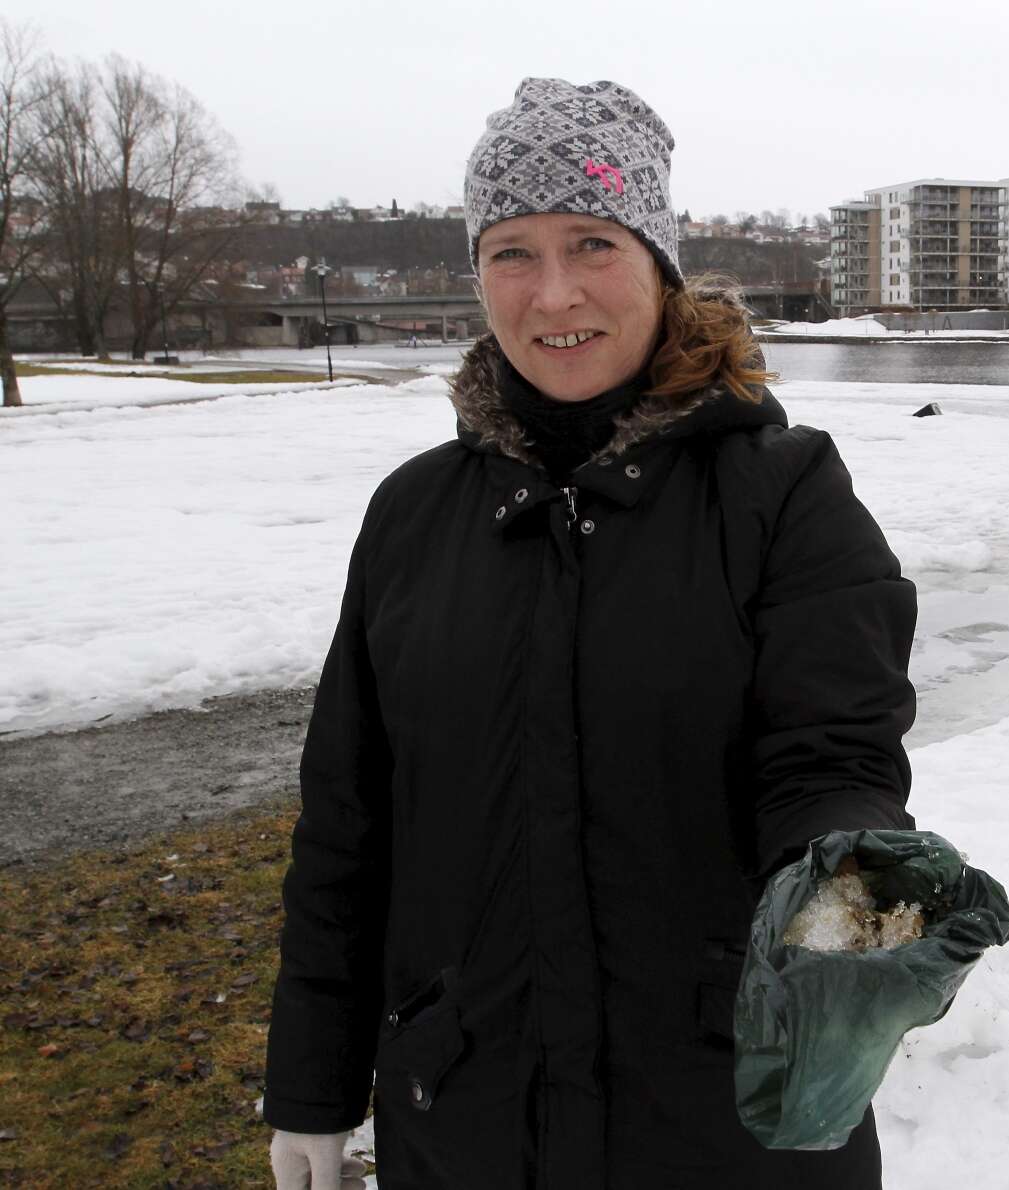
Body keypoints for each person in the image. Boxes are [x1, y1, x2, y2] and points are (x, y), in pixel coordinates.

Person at [262, 78, 916, 1189]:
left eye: (591, 243)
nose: (553, 291)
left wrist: (849, 885)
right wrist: (311, 1087)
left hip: (728, 1117)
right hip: (464, 1118)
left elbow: (830, 758)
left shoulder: (782, 493)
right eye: (511, 252)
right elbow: (347, 823)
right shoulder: (413, 515)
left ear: (658, 262)